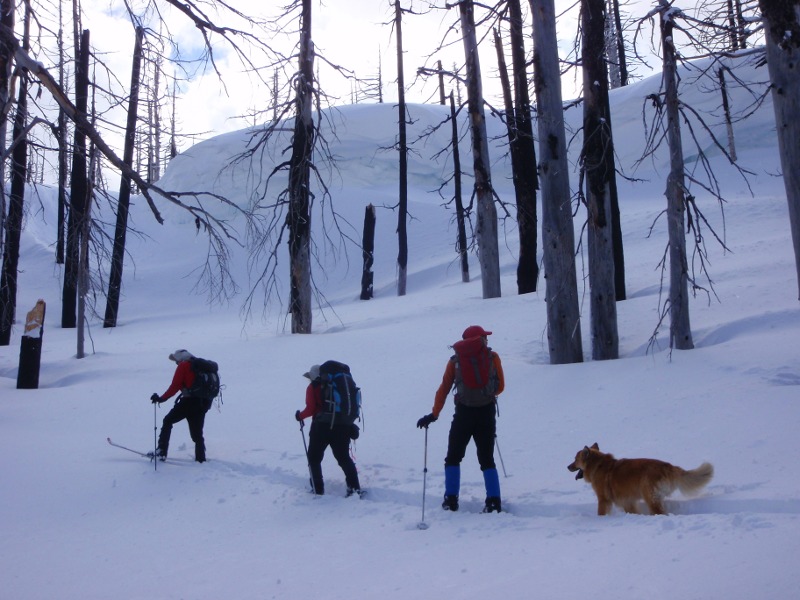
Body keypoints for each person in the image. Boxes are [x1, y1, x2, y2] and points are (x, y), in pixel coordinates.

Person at [417, 325, 505, 513]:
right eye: (484, 336)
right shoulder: (493, 357)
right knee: (487, 459)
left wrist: (434, 414)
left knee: (453, 457)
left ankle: (451, 500)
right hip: (486, 413)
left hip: (463, 414)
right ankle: (494, 501)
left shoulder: (455, 361)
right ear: (480, 339)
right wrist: (486, 394)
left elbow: (444, 389)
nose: (486, 339)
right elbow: (501, 387)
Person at [296, 364, 363, 497]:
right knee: (344, 458)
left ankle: (318, 489)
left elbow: (310, 409)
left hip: (321, 427)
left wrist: (300, 416)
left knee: (314, 458)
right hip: (342, 425)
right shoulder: (338, 386)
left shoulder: (313, 387)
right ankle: (354, 488)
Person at [149, 349, 213, 463]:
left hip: (189, 402)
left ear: (180, 358)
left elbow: (175, 385)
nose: (176, 363)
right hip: (204, 402)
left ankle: (161, 452)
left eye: (176, 360)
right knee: (197, 434)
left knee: (168, 421)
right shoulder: (200, 367)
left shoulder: (184, 366)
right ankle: (201, 458)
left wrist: (162, 398)